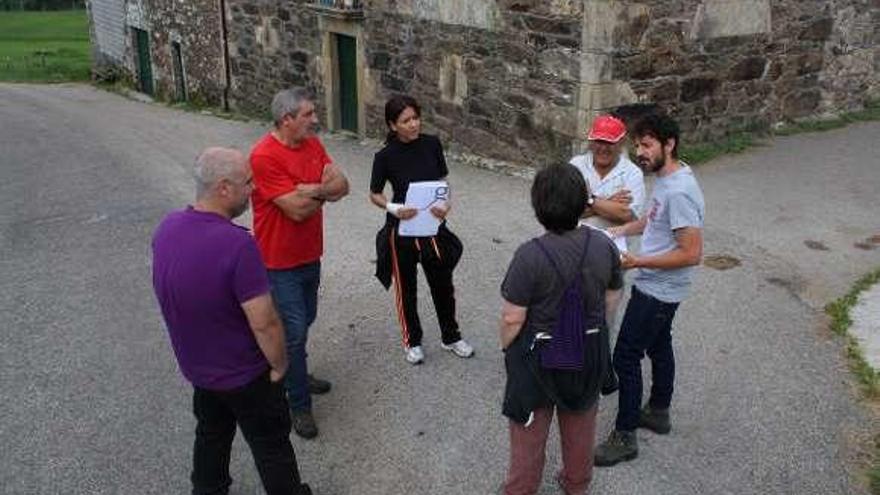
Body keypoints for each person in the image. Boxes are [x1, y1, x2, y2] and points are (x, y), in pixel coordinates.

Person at [151, 147, 312, 495]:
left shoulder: (167, 228)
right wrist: (280, 364)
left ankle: (207, 490)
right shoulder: (237, 245)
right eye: (247, 182)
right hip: (245, 373)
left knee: (211, 433)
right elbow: (265, 322)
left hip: (201, 370)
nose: (254, 189)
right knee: (271, 445)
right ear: (224, 188)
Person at [499, 163, 623, 495]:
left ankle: (521, 489)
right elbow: (612, 296)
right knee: (581, 428)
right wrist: (598, 331)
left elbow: (513, 318)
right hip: (588, 351)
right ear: (583, 203)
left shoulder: (529, 256)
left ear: (538, 205)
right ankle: (576, 485)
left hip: (538, 358)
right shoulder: (603, 245)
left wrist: (508, 348)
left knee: (529, 432)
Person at [594, 113, 705, 466]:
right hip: (658, 286)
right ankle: (658, 410)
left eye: (647, 145)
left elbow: (691, 253)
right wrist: (619, 232)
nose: (640, 152)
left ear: (668, 144)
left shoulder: (682, 191)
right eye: (637, 145)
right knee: (659, 344)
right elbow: (653, 218)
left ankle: (625, 434)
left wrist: (638, 263)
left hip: (659, 289)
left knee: (625, 356)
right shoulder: (668, 179)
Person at [249, 88, 350, 439]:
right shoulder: (263, 156)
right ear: (286, 119)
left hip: (309, 254)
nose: (315, 119)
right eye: (308, 114)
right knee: (294, 330)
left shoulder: (311, 145)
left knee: (305, 320)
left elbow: (343, 184)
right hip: (277, 261)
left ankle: (297, 369)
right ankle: (298, 402)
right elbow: (294, 210)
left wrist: (310, 190)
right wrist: (318, 192)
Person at [370, 94, 474, 365]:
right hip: (401, 231)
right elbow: (375, 194)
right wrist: (394, 208)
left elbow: (442, 181)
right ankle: (412, 341)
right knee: (406, 289)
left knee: (443, 285)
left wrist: (446, 203)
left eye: (416, 118)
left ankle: (451, 337)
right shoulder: (384, 156)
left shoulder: (432, 144)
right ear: (393, 125)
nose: (414, 125)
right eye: (406, 121)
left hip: (432, 227)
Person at [570, 114, 645, 332]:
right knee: (571, 303)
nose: (603, 148)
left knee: (605, 312)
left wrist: (589, 199)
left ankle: (600, 359)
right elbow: (566, 209)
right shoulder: (576, 165)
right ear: (591, 141)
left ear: (621, 143)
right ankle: (569, 352)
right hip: (574, 249)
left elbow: (627, 216)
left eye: (610, 142)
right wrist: (610, 203)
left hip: (613, 254)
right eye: (599, 141)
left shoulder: (632, 173)